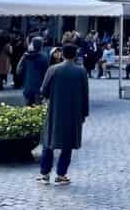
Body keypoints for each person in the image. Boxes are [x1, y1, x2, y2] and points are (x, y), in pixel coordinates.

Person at [37, 44, 89, 185]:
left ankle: (44, 173)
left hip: (55, 110)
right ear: (76, 54)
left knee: (48, 142)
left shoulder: (53, 69)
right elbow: (85, 95)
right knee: (68, 144)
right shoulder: (81, 72)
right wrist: (84, 114)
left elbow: (44, 90)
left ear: (62, 54)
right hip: (73, 112)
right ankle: (61, 175)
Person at [17, 38, 49, 105]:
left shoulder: (26, 56)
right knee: (37, 110)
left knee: (28, 109)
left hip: (27, 86)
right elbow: (46, 73)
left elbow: (18, 71)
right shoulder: (44, 57)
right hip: (39, 88)